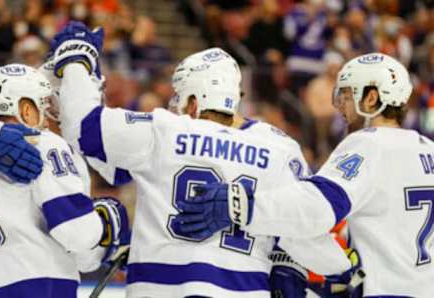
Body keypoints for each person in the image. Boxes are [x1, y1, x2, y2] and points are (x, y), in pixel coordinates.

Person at [49, 22, 352, 297]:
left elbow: (83, 127)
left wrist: (77, 60)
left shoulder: (164, 129)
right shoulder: (279, 146)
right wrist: (335, 269)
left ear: (194, 101)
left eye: (179, 97)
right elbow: (306, 232)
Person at [181, 53, 434, 297]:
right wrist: (345, 270)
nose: (340, 108)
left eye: (345, 96)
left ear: (371, 98)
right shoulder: (428, 149)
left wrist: (241, 205)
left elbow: (316, 208)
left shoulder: (370, 144)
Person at [0, 64, 130, 298]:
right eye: (43, 105)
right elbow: (77, 233)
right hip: (33, 282)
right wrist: (108, 223)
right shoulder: (42, 142)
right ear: (26, 109)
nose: (48, 118)